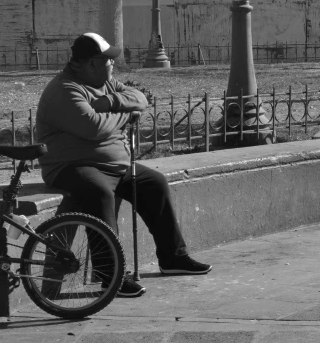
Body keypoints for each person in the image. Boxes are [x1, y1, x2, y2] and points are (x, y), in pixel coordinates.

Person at [35, 32, 211, 298]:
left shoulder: (104, 83)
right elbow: (93, 127)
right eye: (108, 60)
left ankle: (173, 258)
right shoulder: (64, 89)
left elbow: (140, 97)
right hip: (71, 166)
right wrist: (126, 117)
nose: (113, 64)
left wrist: (111, 103)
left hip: (115, 166)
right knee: (99, 194)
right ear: (92, 63)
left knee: (155, 183)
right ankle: (111, 276)